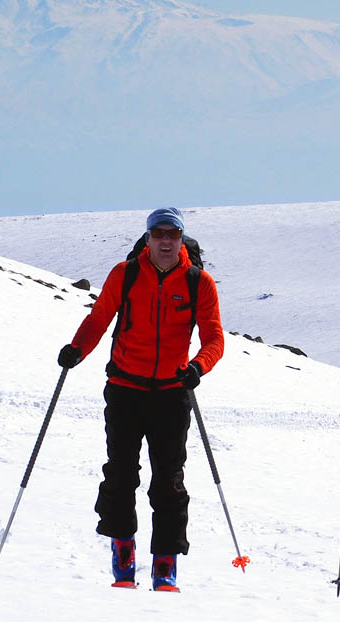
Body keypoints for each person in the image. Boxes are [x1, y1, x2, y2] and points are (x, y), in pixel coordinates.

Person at [57, 206, 224, 591]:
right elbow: (100, 318)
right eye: (159, 234)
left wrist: (198, 367)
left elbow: (214, 337)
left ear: (181, 239)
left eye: (173, 235)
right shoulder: (126, 273)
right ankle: (123, 552)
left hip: (171, 392)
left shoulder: (200, 282)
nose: (166, 241)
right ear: (148, 238)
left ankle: (165, 564)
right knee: (120, 473)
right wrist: (77, 350)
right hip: (125, 389)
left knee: (168, 480)